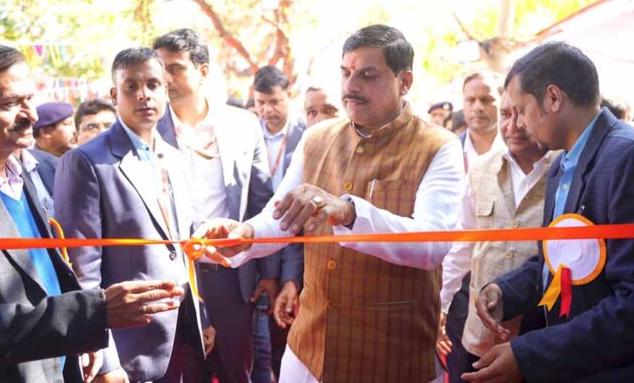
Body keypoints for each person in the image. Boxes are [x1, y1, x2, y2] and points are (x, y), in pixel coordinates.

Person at [195, 24, 465, 383]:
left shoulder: (438, 147)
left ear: (405, 82)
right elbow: (279, 218)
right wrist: (244, 234)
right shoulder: (316, 139)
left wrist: (351, 213)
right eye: (346, 72)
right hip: (309, 351)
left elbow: (431, 246)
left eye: (367, 75)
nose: (351, 86)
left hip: (392, 356)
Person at [465, 42, 634, 383]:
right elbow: (564, 260)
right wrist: (506, 292)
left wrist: (530, 354)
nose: (519, 124)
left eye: (522, 110)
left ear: (553, 98)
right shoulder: (562, 165)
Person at [0, 40, 184, 383]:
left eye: (29, 99)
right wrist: (92, 314)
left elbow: (53, 276)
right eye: (11, 104)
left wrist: (84, 338)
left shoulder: (19, 177)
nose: (31, 116)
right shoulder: (81, 162)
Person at [54, 47, 203, 382]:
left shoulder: (176, 158)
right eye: (131, 87)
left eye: (152, 85)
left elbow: (178, 246)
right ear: (114, 95)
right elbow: (81, 270)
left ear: (166, 90)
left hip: (179, 332)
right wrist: (104, 358)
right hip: (126, 345)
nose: (143, 95)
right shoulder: (86, 161)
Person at [153, 28, 277, 383]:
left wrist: (269, 273)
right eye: (160, 69)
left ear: (202, 71)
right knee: (181, 372)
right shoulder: (149, 128)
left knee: (236, 370)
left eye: (175, 68)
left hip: (232, 274)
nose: (165, 79)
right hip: (172, 278)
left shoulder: (242, 125)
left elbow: (261, 201)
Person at [438, 91, 556, 382]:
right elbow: (462, 245)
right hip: (482, 333)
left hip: (544, 334)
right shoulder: (480, 169)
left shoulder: (566, 169)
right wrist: (442, 303)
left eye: (521, 114)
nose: (513, 125)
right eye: (505, 115)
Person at [442, 71, 505, 379]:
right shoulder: (446, 152)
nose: (478, 107)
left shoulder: (522, 148)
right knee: (461, 366)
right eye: (471, 100)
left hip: (507, 279)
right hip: (457, 279)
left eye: (487, 99)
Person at [252, 65, 307, 379]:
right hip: (263, 248)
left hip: (302, 247)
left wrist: (290, 276)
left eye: (274, 101)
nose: (266, 110)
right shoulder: (249, 136)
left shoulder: (307, 136)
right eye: (260, 103)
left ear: (290, 94)